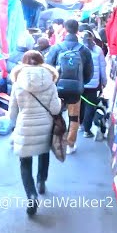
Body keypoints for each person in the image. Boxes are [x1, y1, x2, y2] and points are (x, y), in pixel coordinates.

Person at [9, 51, 62, 216]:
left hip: (24, 126)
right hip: (45, 125)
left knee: (24, 162)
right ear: (42, 62)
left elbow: (12, 112)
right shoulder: (50, 82)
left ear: (23, 63)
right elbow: (55, 109)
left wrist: (14, 125)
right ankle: (41, 181)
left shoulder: (18, 83)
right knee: (43, 152)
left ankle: (31, 195)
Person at [46, 19, 93, 155]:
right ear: (77, 31)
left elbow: (48, 68)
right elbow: (89, 72)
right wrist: (81, 83)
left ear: (65, 30)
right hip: (75, 90)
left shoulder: (56, 48)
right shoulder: (84, 50)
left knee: (56, 115)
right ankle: (70, 145)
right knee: (74, 118)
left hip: (58, 88)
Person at [79, 31, 107, 138]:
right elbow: (102, 68)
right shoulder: (98, 50)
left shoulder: (79, 49)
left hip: (80, 83)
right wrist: (104, 81)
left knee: (80, 105)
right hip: (93, 84)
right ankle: (87, 130)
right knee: (90, 106)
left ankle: (81, 124)